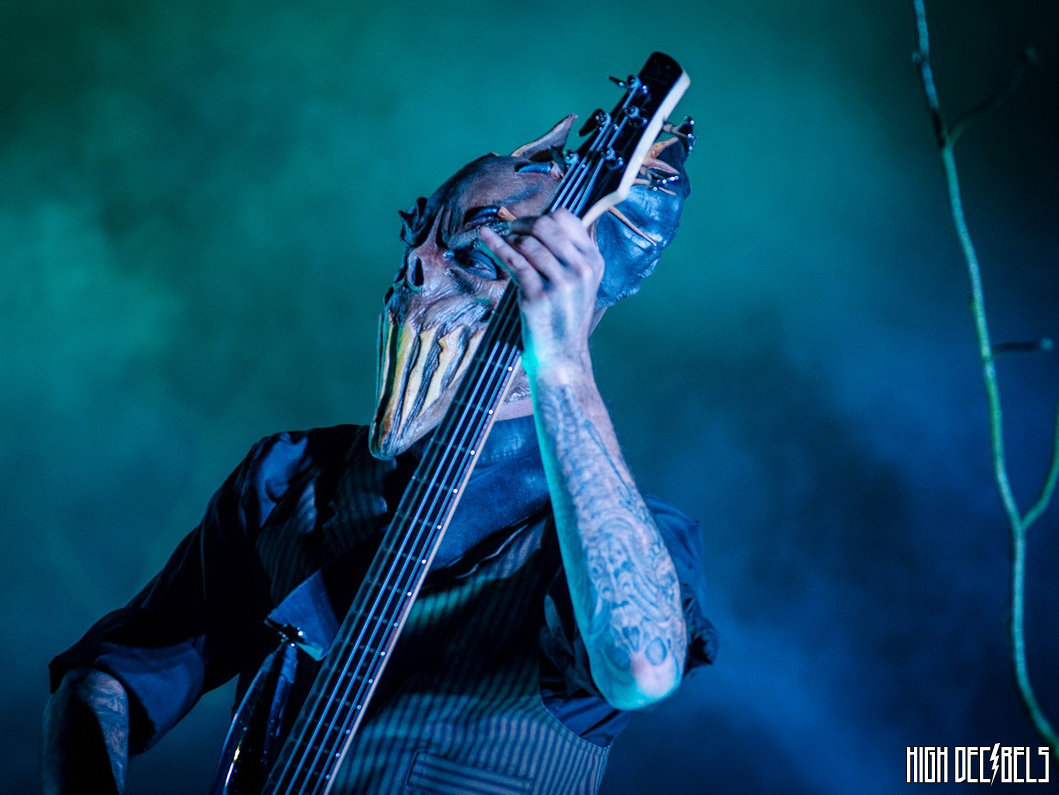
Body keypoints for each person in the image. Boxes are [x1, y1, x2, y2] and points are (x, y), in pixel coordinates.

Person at [42, 115, 716, 794]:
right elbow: (113, 671)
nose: (416, 269)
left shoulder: (624, 540)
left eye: (475, 253)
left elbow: (640, 669)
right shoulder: (292, 478)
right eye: (418, 238)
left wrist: (563, 362)